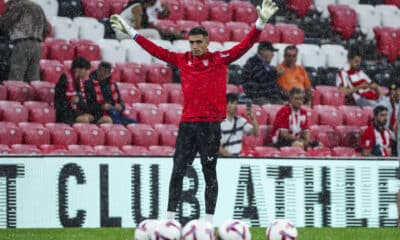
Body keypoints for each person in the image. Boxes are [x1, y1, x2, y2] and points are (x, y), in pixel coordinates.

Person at [110, 0, 278, 223]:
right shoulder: (182, 60)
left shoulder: (219, 59)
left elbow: (245, 45)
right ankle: (169, 219)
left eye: (199, 42)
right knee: (178, 169)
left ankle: (208, 222)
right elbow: (155, 49)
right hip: (187, 125)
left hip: (209, 126)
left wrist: (260, 23)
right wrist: (131, 31)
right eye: (191, 42)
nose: (195, 46)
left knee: (210, 173)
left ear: (207, 43)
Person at [0, 0, 48, 82]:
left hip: (22, 44)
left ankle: (16, 95)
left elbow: (4, 23)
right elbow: (46, 29)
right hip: (37, 46)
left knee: (16, 79)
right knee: (33, 80)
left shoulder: (18, 6)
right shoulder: (38, 7)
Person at [54, 57, 94, 125]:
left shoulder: (79, 82)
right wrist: (74, 102)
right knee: (84, 120)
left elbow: (82, 101)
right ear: (78, 69)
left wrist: (79, 104)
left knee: (91, 117)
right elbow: (60, 102)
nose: (87, 72)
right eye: (86, 69)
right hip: (65, 114)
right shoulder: (65, 78)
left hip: (75, 112)